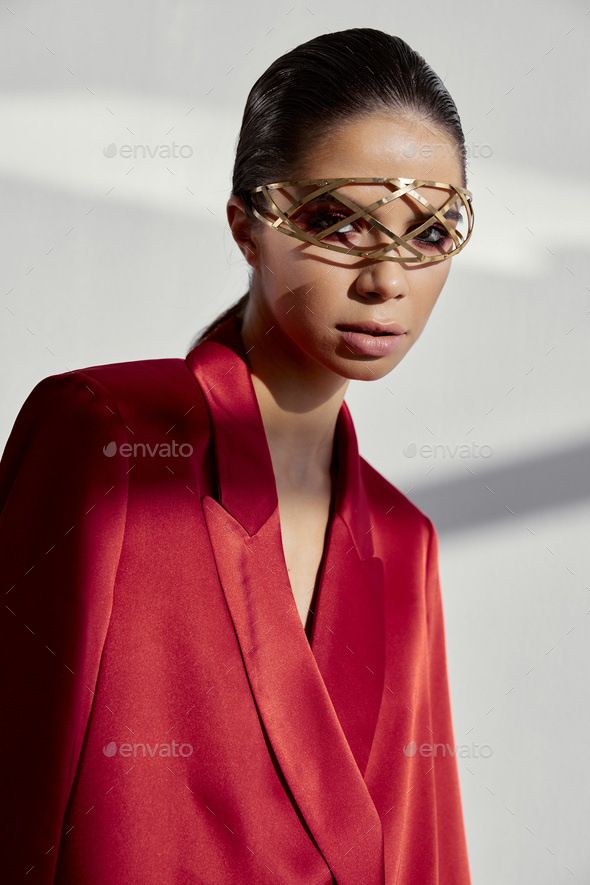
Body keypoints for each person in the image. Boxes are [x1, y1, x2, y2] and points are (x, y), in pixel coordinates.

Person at [0, 27, 474, 884]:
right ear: (247, 225)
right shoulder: (105, 438)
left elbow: (422, 850)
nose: (387, 278)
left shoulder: (404, 540)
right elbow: (10, 786)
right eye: (337, 220)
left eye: (431, 231)